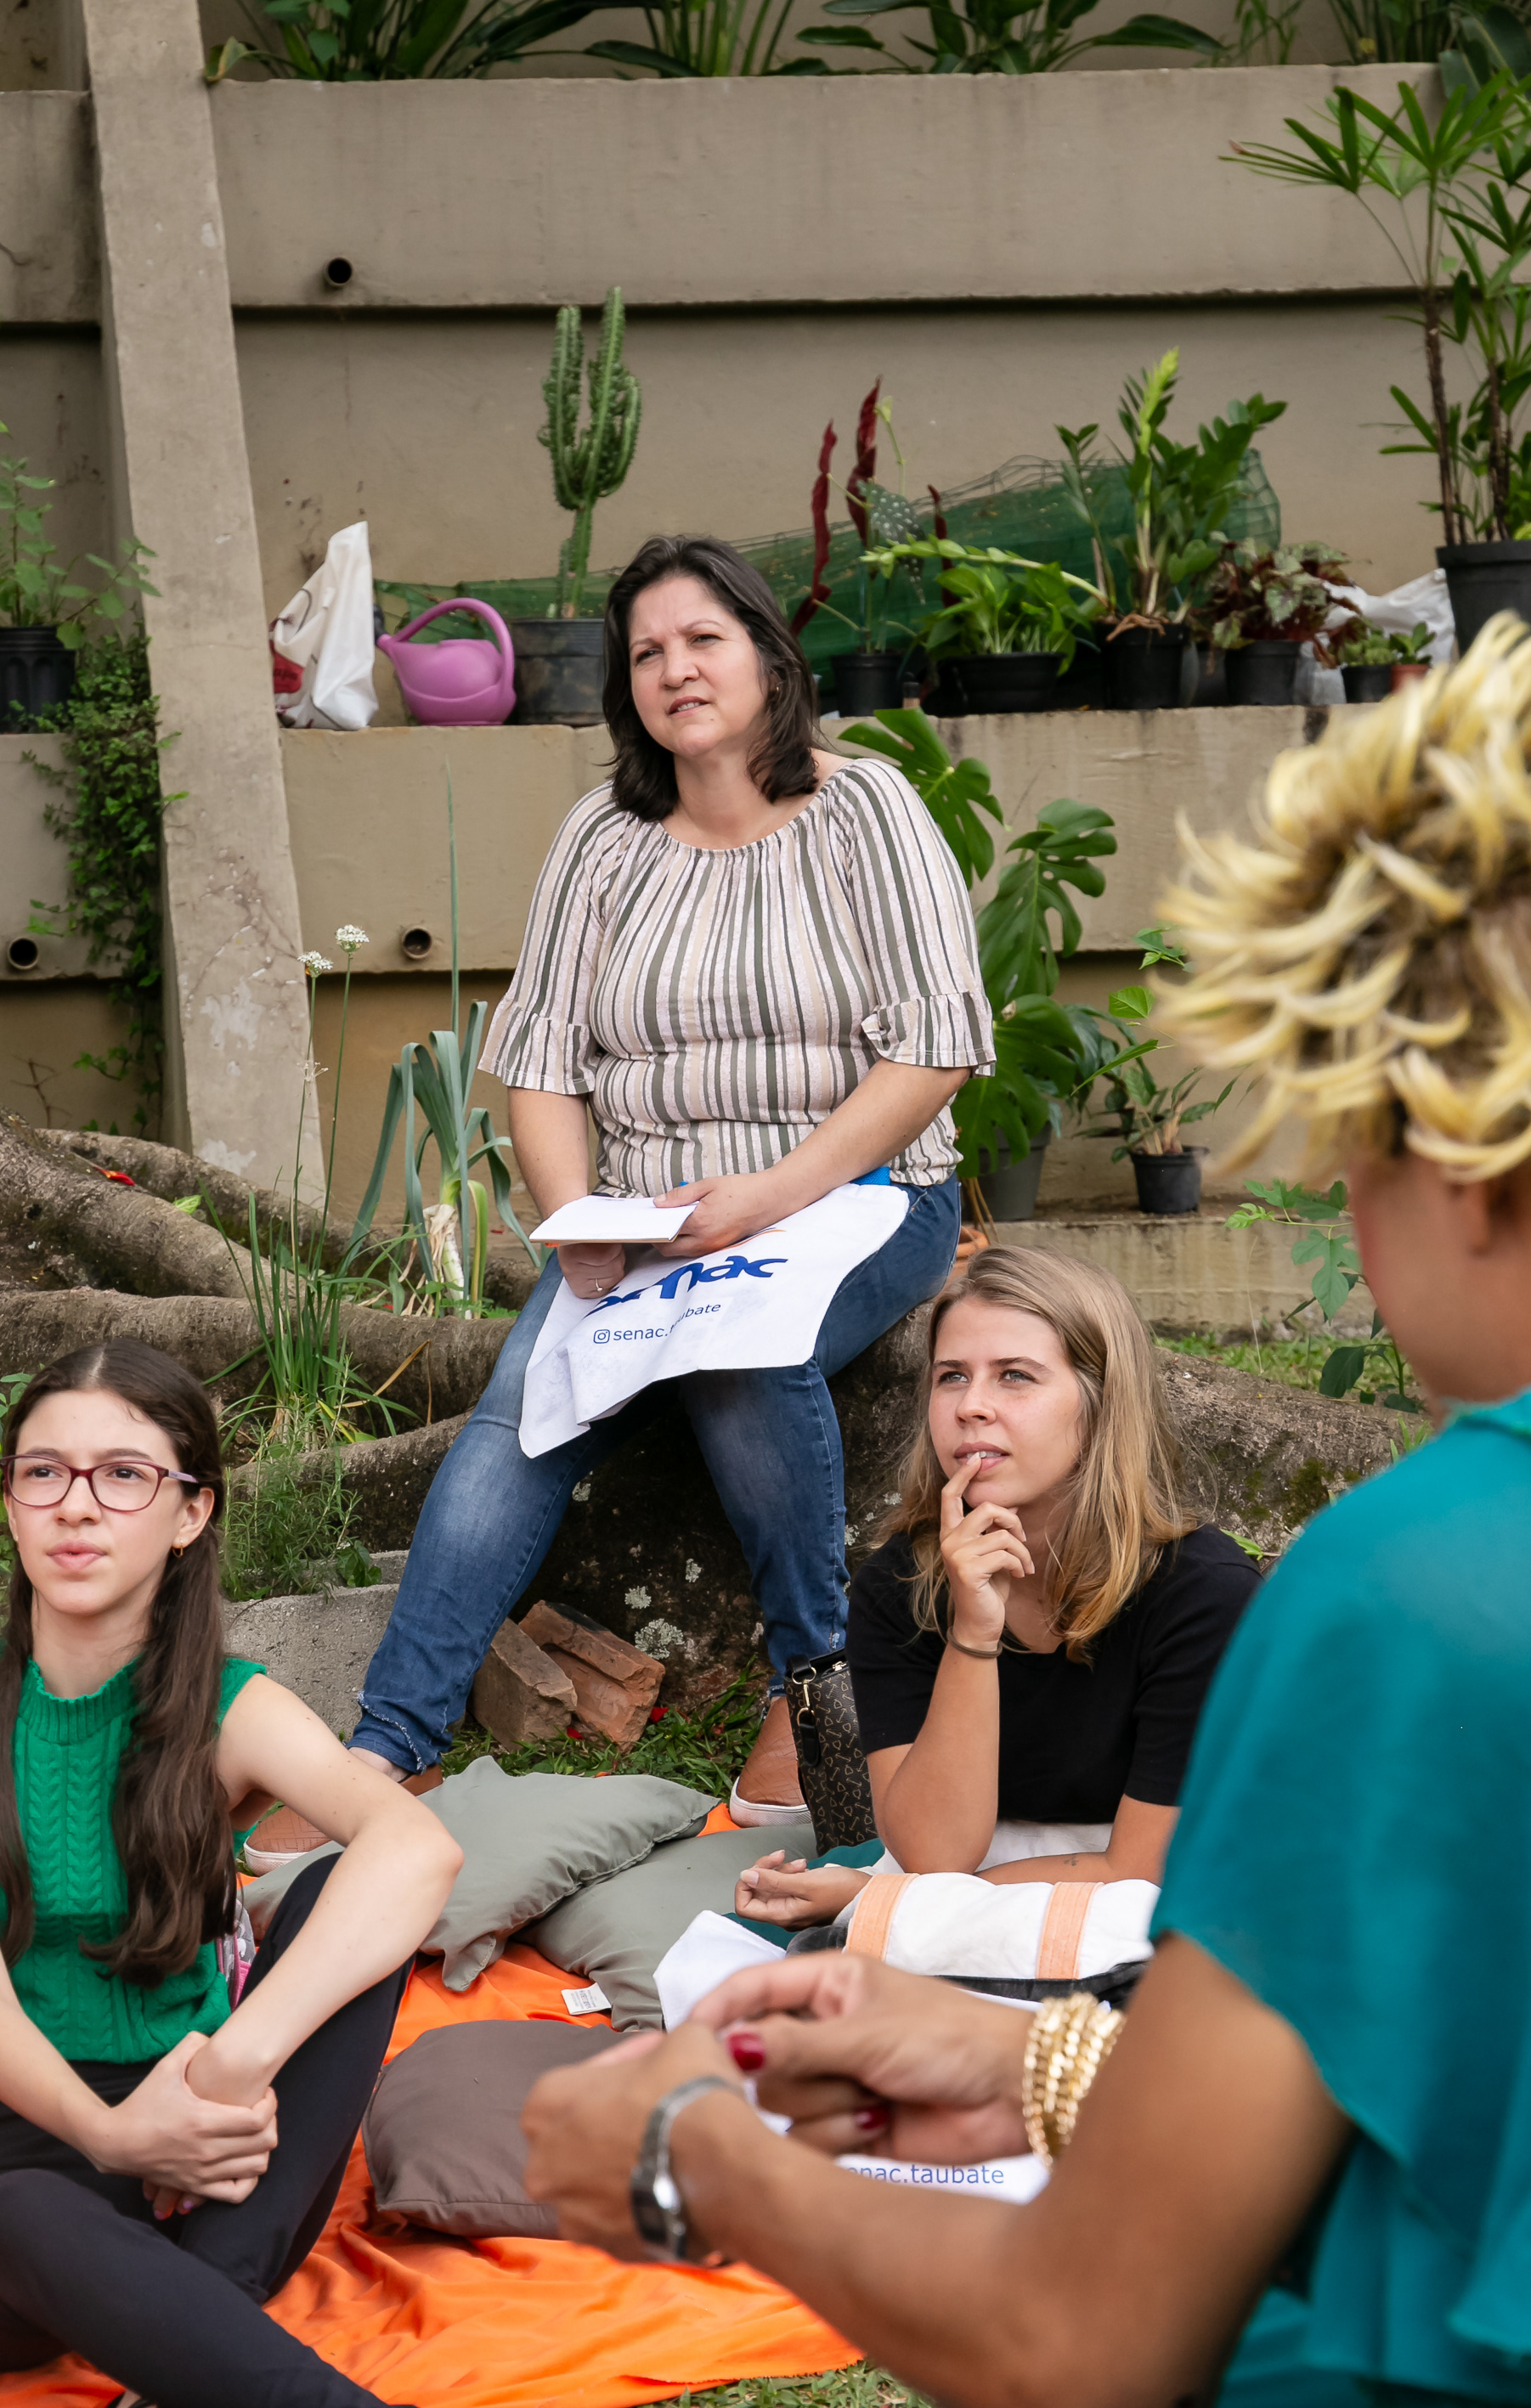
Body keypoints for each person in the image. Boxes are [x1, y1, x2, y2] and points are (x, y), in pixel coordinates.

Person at [519, 616, 1531, 2407]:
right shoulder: (918, 1574)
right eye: (957, 1378)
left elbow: (1079, 2333)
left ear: (1453, 1156)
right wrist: (1036, 2068)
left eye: (1349, 1151)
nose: (977, 1412)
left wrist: (696, 2146)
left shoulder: (1397, 1585)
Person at [347, 535, 993, 1817]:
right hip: (649, 1224)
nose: (676, 669)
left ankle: (816, 1695)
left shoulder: (868, 810)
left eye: (704, 639)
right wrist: (575, 1224)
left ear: (768, 658)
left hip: (859, 1197)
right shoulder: (603, 836)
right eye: (647, 652)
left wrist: (766, 1198)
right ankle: (385, 1747)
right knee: (520, 1414)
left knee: (740, 1352)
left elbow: (932, 1052)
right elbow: (541, 1064)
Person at [0, 1339, 461, 2407]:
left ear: (189, 1513)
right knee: (26, 2217)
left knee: (353, 1906)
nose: (77, 1506)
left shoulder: (230, 1704)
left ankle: (195, 2320)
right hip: (5, 2157)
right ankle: (217, 2345)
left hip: (218, 2146)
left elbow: (419, 1848)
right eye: (44, 1472)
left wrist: (230, 2069)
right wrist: (115, 2136)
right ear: (12, 1505)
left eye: (124, 1475)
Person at [735, 1246, 1257, 1931]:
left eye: (1015, 1376)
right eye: (952, 1376)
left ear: (1101, 1402)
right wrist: (973, 1636)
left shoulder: (1202, 1595)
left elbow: (1140, 1870)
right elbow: (934, 1854)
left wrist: (879, 1899)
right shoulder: (899, 1584)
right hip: (961, 1883)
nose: (971, 1406)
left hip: (1161, 1901)